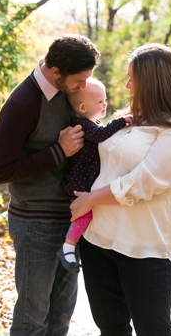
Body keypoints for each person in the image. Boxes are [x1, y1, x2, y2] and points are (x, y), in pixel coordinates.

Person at [69, 43, 171, 336]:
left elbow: (142, 182)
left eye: (132, 78)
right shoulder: (129, 119)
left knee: (152, 330)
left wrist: (91, 199)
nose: (126, 85)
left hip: (144, 247)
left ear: (153, 83)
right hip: (97, 241)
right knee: (111, 328)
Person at [0, 34, 98, 336]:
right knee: (32, 319)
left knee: (60, 318)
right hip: (35, 223)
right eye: (78, 81)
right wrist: (58, 152)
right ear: (55, 72)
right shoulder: (23, 103)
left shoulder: (70, 93)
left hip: (70, 224)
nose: (83, 87)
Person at [55, 78, 132, 273]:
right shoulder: (82, 125)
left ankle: (72, 244)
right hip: (79, 182)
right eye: (100, 101)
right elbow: (101, 135)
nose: (105, 104)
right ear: (82, 107)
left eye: (105, 100)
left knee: (87, 212)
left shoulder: (92, 122)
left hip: (84, 180)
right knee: (85, 213)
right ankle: (68, 246)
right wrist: (122, 121)